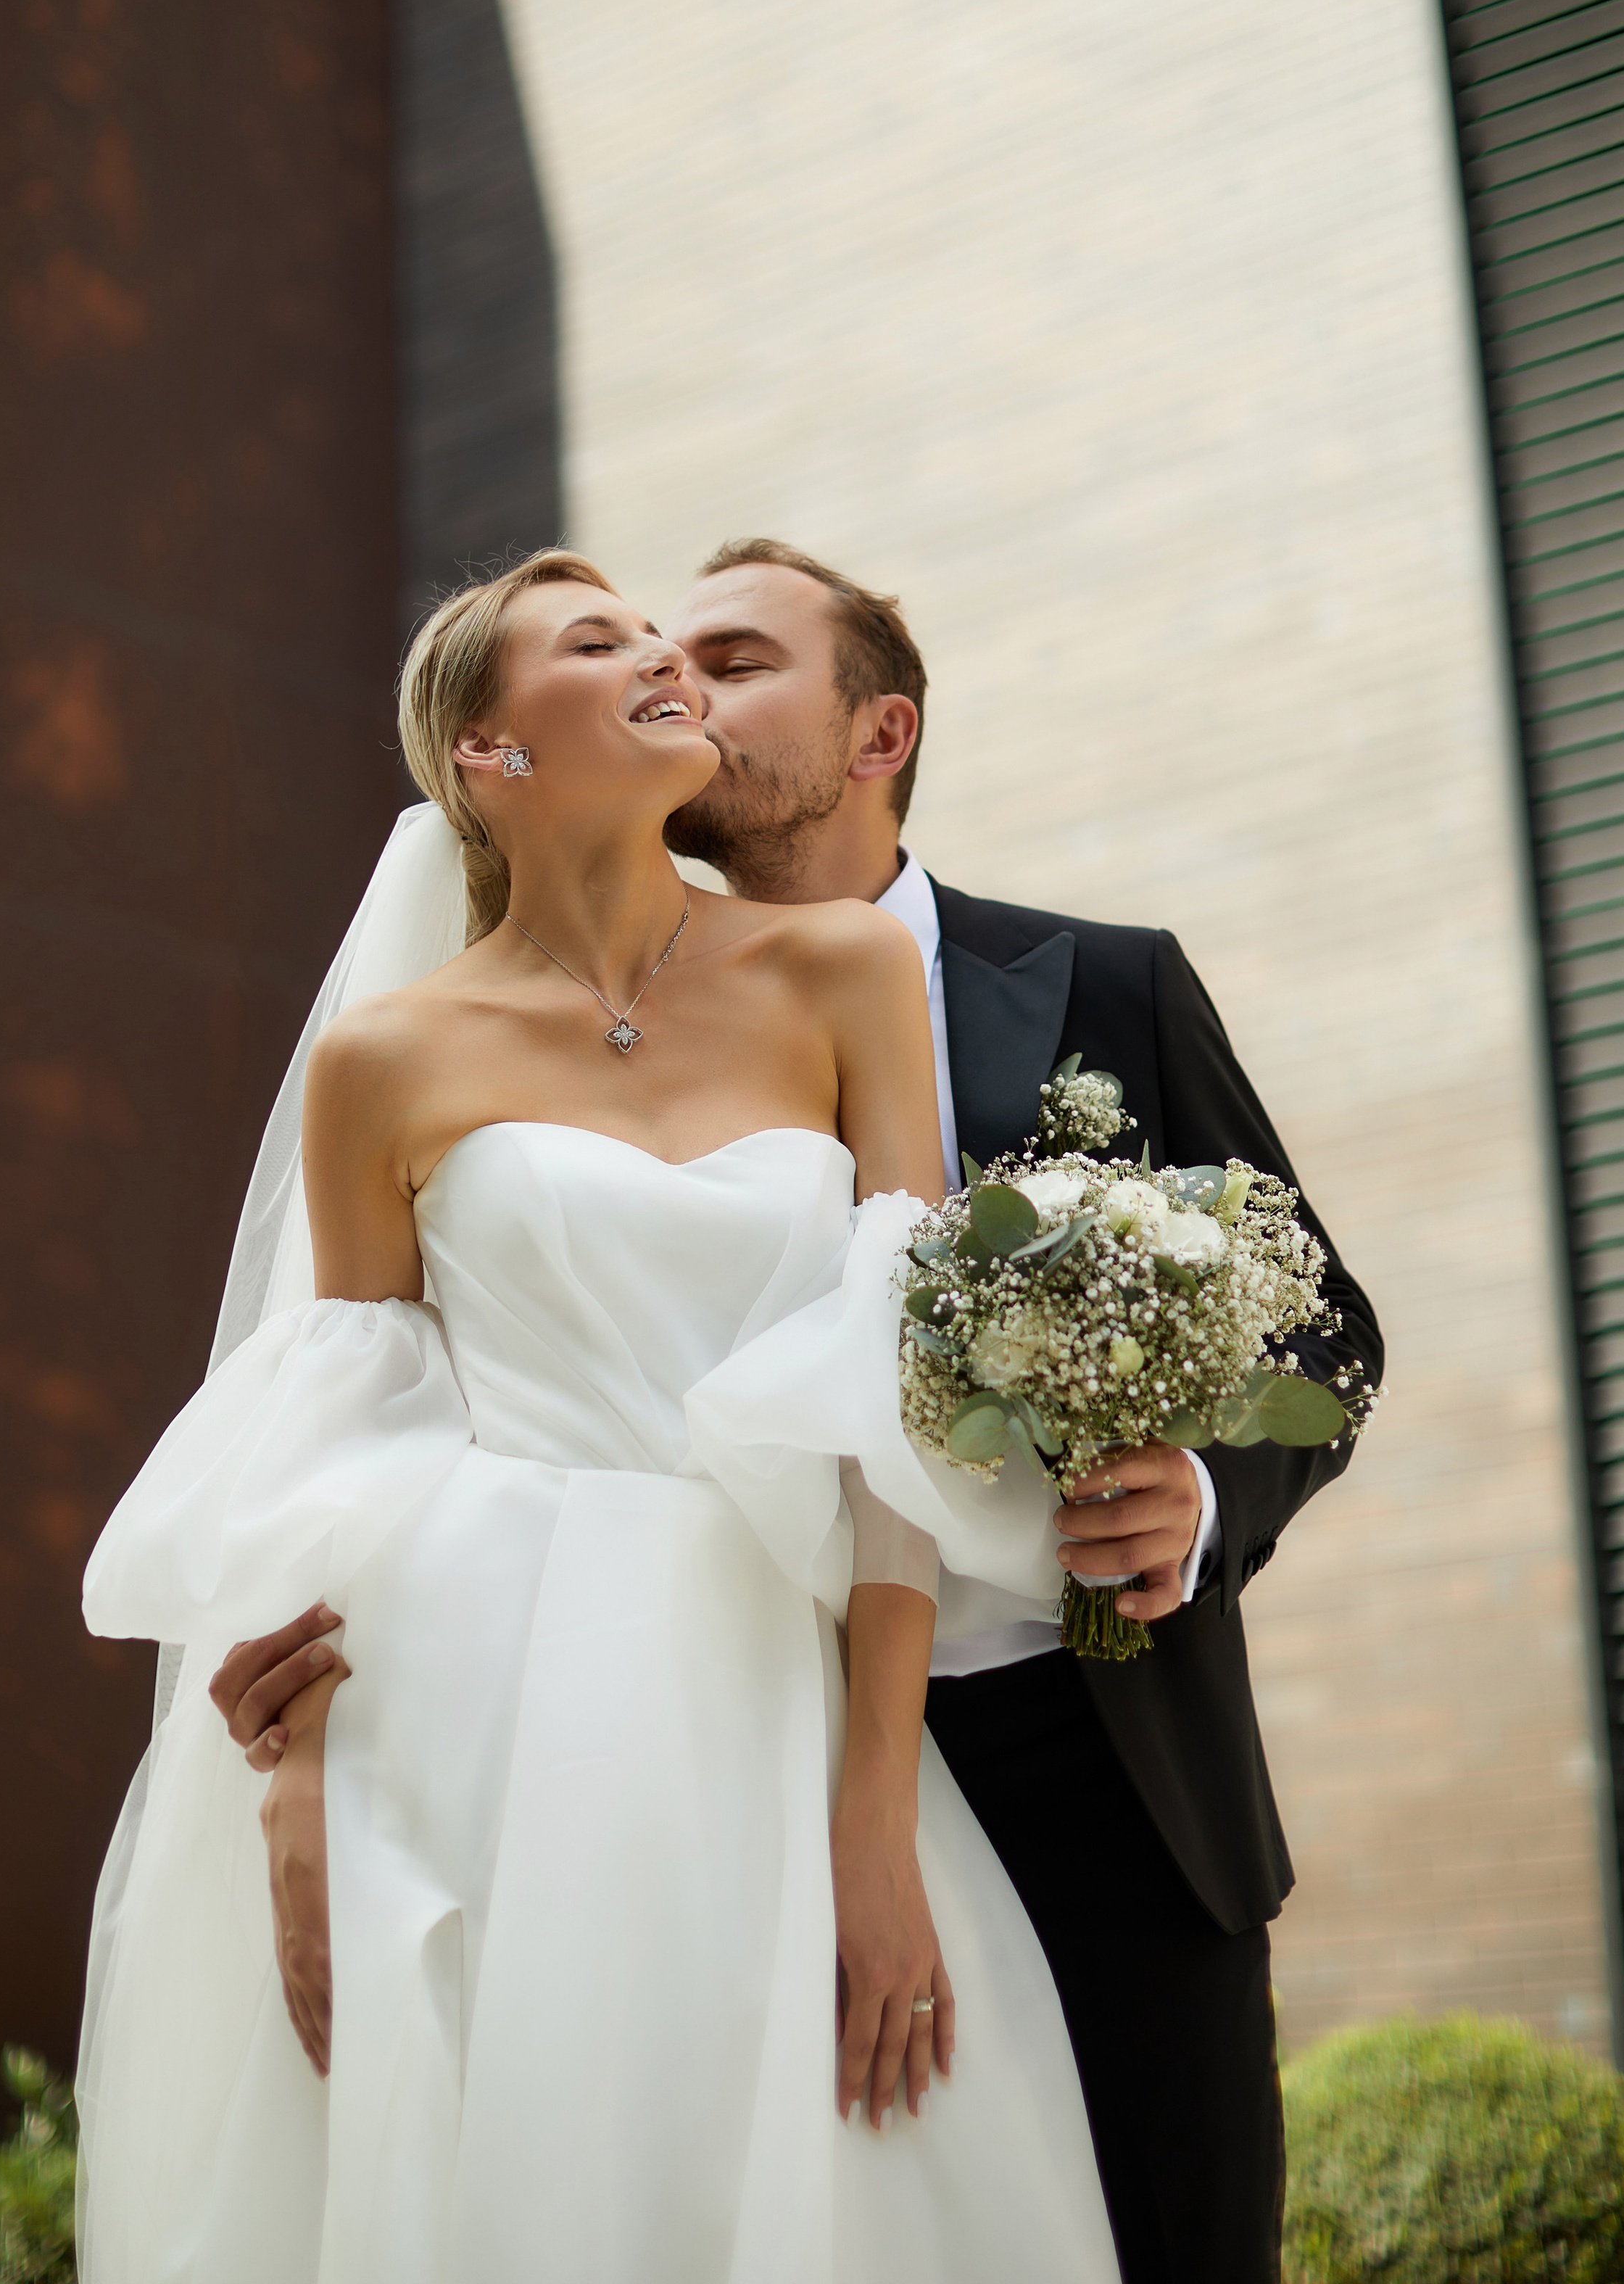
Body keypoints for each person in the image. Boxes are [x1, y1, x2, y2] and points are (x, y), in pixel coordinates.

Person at [215, 539, 1385, 2284]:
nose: (679, 674)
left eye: (734, 658)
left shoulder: (1096, 982)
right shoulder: (460, 1044)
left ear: (875, 730)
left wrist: (1198, 1495)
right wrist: (295, 1701)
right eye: (640, 647)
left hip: (1092, 1748)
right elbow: (377, 1403)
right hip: (712, 1727)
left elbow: (1323, 1329)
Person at [76, 549, 1121, 2283]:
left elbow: (898, 1416)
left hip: (767, 1702)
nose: (662, 658)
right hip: (461, 1703)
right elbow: (343, 1430)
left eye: (666, 637)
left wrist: (871, 1812)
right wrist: (300, 1780)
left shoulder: (844, 972)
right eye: (599, 641)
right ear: (489, 753)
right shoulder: (384, 1061)